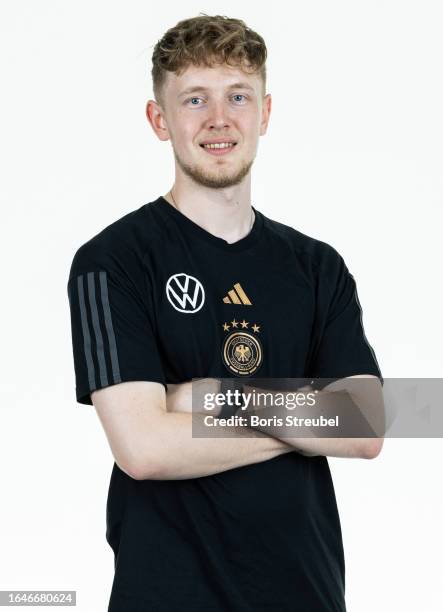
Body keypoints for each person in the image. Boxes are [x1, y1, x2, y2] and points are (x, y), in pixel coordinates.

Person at [67, 14, 383, 612]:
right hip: (167, 596)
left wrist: (210, 397)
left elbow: (366, 427)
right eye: (195, 99)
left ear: (264, 113)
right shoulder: (112, 261)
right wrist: (310, 426)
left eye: (239, 96)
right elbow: (144, 449)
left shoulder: (317, 267)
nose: (220, 118)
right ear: (159, 120)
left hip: (306, 593)